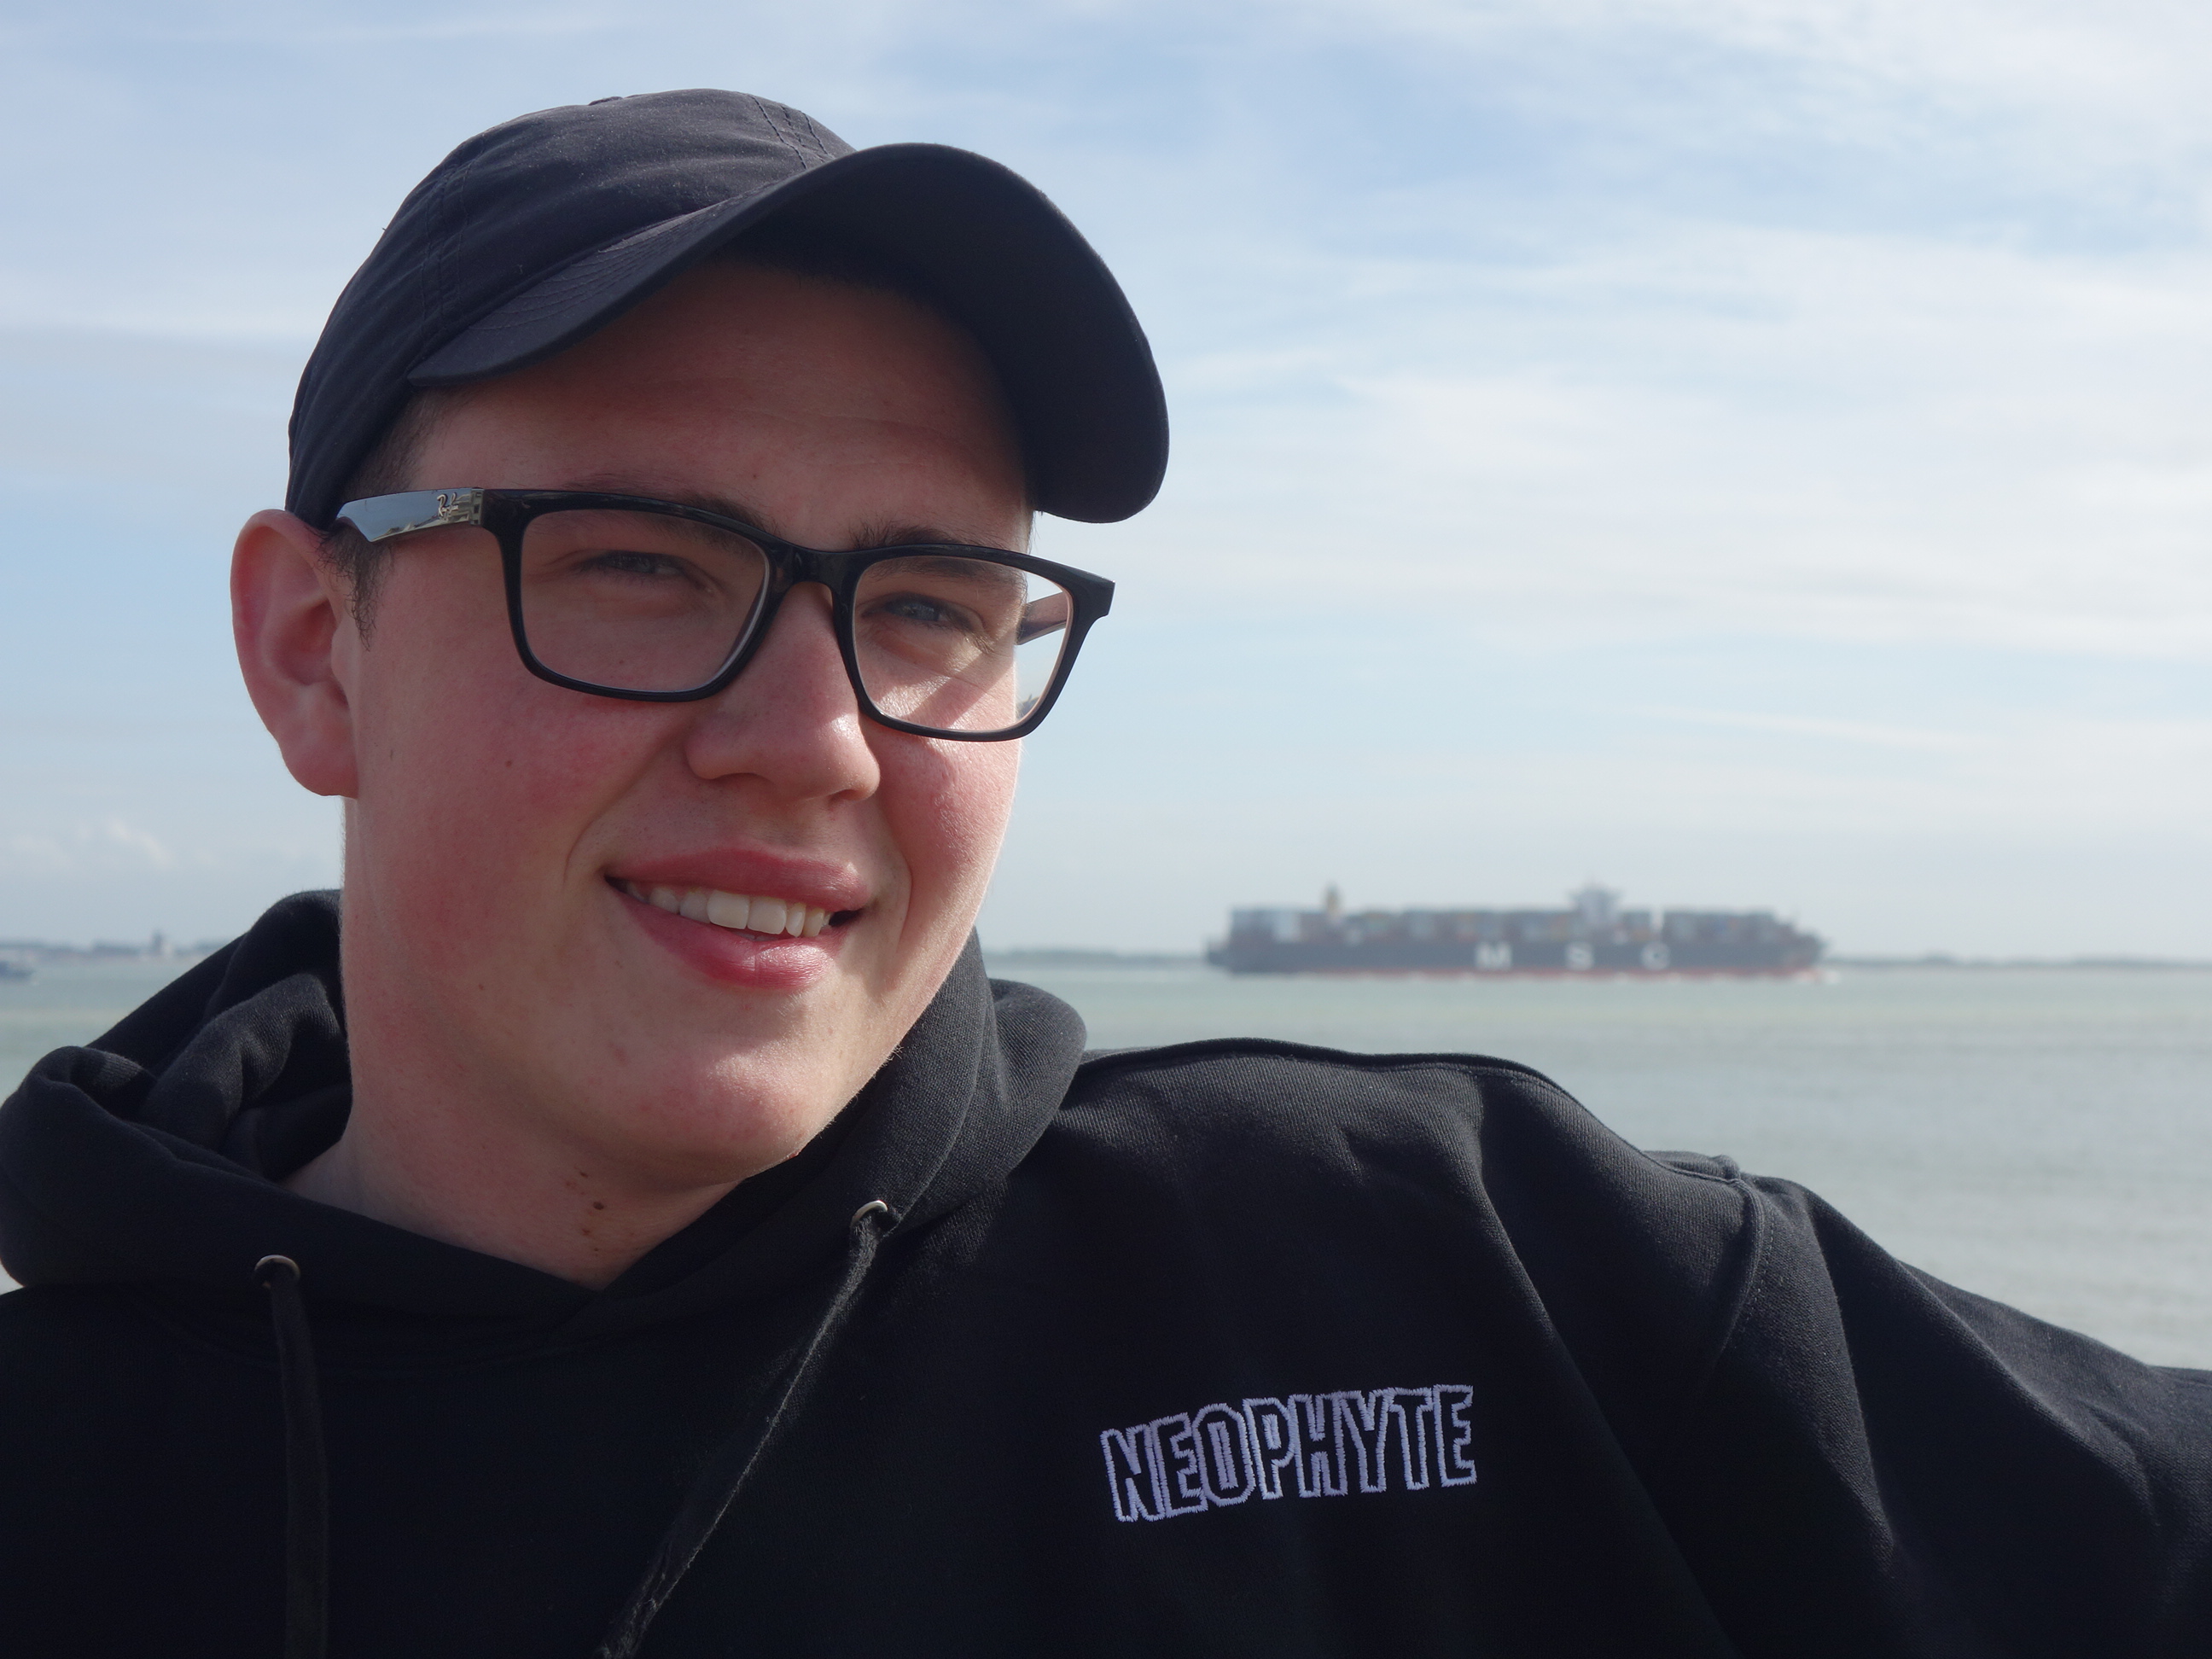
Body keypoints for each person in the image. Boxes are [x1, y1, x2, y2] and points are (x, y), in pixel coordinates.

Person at [0, 89, 2206, 1659]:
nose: (819, 737)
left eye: (930, 606)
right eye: (642, 565)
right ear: (315, 652)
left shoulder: (1473, 1282)